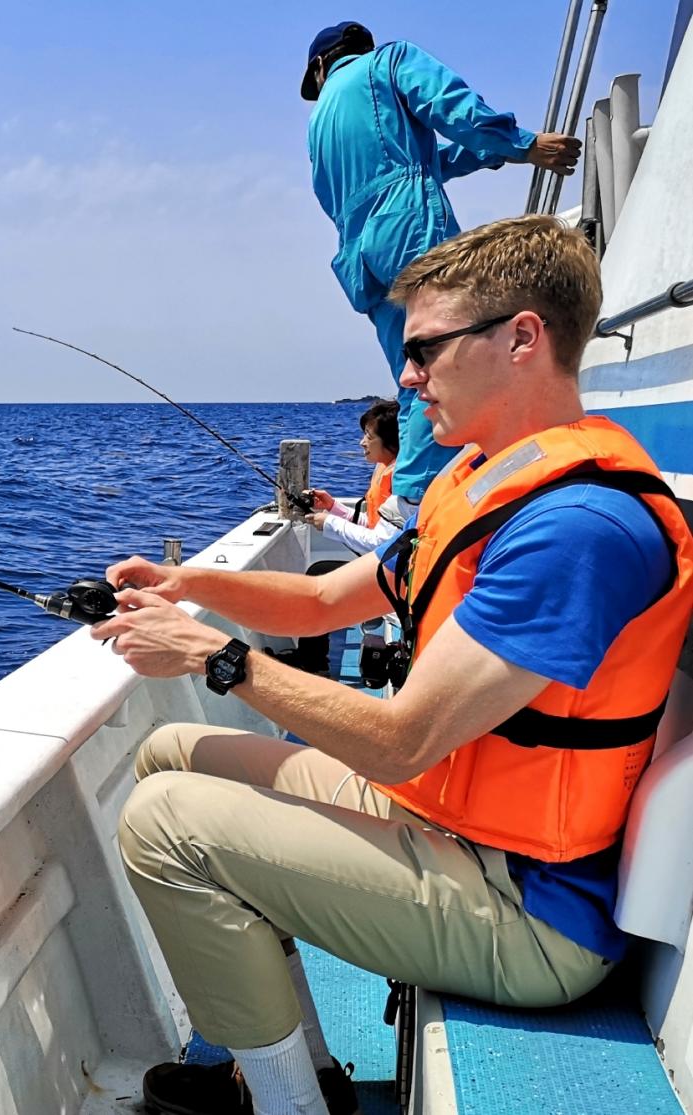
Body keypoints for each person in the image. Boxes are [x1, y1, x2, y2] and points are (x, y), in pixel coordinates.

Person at [93, 215, 693, 1115]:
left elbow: (405, 738)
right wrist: (189, 584)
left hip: (527, 909)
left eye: (425, 349)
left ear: (522, 337)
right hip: (454, 825)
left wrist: (216, 658)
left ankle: (290, 1107)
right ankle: (289, 1071)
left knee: (166, 820)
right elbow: (331, 600)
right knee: (170, 753)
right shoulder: (484, 482)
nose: (406, 378)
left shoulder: (576, 530)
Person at [303, 21, 581, 505]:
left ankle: (409, 502)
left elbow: (428, 159)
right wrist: (524, 145)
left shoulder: (318, 121)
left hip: (359, 257)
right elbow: (452, 108)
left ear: (322, 66)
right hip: (407, 227)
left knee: (414, 379)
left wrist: (495, 157)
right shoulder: (387, 63)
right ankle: (416, 502)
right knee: (448, 369)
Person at [305, 398, 403, 554]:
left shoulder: (401, 481)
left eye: (369, 437)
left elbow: (382, 544)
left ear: (392, 441)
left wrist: (330, 523)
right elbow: (372, 524)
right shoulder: (384, 467)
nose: (362, 442)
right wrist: (332, 507)